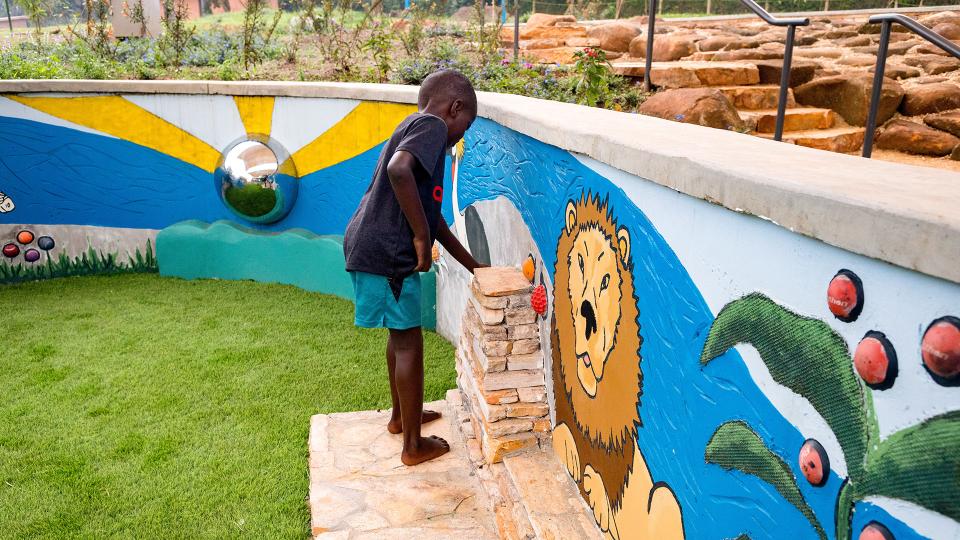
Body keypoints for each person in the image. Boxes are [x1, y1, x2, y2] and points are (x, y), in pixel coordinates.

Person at [343, 69, 484, 466]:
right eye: (466, 124)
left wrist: (475, 266)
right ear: (455, 107)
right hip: (388, 252)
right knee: (409, 341)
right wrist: (419, 238)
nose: (461, 136)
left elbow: (433, 217)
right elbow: (398, 170)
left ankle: (400, 418)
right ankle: (412, 447)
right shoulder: (432, 127)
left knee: (400, 334)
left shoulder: (413, 126)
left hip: (370, 244)